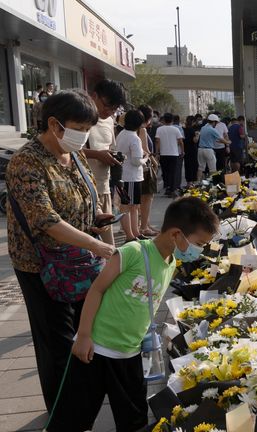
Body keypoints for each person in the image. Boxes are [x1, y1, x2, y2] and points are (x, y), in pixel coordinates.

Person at [5, 90, 115, 425]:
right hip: (42, 266)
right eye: (79, 126)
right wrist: (96, 246)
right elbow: (46, 220)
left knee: (88, 331)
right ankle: (63, 412)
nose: (84, 134)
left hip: (78, 261)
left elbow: (82, 198)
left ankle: (83, 400)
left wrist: (97, 219)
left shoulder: (74, 154)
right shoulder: (26, 162)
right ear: (54, 125)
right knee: (57, 342)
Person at [63, 197, 218, 431]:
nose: (200, 251)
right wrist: (84, 334)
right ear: (176, 234)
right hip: (97, 349)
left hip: (130, 353)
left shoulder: (171, 264)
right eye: (199, 244)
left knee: (134, 419)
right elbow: (97, 289)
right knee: (76, 417)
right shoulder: (133, 252)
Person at [84, 79, 127, 246]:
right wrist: (96, 154)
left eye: (114, 109)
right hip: (84, 190)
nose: (109, 111)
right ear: (94, 96)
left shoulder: (109, 120)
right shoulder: (81, 118)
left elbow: (109, 147)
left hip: (103, 187)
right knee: (91, 247)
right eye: (107, 106)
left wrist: (110, 156)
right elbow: (68, 150)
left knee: (108, 247)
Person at [116, 110, 147, 243]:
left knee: (131, 206)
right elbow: (136, 161)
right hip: (132, 176)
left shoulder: (122, 133)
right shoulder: (134, 138)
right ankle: (130, 235)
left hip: (123, 175)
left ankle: (135, 233)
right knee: (129, 207)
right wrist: (145, 159)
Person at [138, 105, 159, 237]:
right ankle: (144, 227)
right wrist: (155, 162)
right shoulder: (142, 130)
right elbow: (145, 149)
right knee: (147, 197)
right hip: (145, 167)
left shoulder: (132, 129)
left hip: (139, 167)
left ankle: (146, 223)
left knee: (142, 198)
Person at [155, 113, 185, 197]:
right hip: (174, 154)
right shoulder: (176, 129)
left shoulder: (159, 129)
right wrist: (182, 151)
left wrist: (157, 152)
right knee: (173, 172)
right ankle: (172, 189)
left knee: (165, 172)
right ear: (172, 120)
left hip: (163, 154)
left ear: (164, 120)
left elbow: (157, 141)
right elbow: (180, 141)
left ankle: (168, 187)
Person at [198, 114, 228, 179]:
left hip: (200, 149)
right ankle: (213, 184)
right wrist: (228, 142)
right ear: (214, 122)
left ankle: (198, 183)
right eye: (216, 123)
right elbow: (221, 139)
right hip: (208, 150)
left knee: (201, 168)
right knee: (213, 169)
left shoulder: (203, 128)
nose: (216, 124)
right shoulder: (212, 130)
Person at [183, 115, 199, 183]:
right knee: (193, 166)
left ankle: (188, 182)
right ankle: (192, 182)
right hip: (192, 150)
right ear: (193, 121)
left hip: (185, 150)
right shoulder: (192, 130)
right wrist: (197, 135)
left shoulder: (183, 129)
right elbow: (195, 140)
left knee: (187, 166)